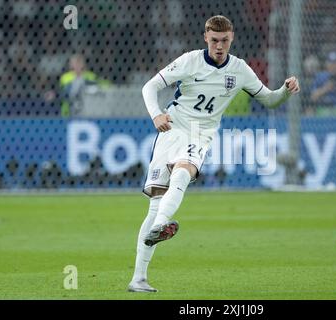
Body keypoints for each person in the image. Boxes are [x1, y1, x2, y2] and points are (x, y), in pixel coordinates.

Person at [128, 15, 300, 293]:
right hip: (172, 127)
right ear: (205, 38)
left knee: (183, 172)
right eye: (215, 40)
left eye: (225, 41)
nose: (219, 46)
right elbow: (150, 87)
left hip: (200, 133)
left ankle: (161, 225)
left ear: (231, 39)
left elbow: (269, 99)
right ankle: (138, 279)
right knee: (155, 204)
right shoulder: (189, 61)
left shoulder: (240, 69)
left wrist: (285, 90)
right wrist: (156, 114)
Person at [310, 51, 336, 116]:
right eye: (331, 62)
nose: (333, 65)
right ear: (326, 64)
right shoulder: (320, 76)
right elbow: (313, 96)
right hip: (324, 109)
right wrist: (325, 88)